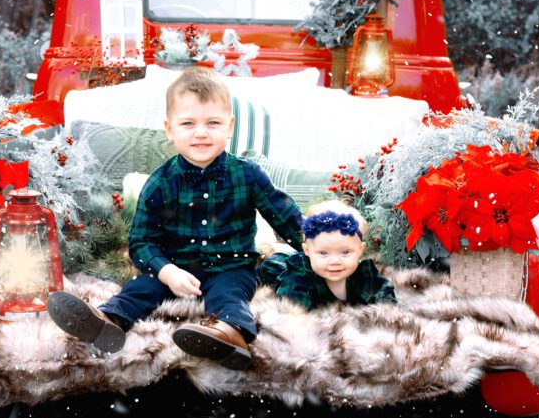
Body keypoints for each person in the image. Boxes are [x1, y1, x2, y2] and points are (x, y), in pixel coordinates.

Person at [47, 68, 304, 370]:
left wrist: (315, 246)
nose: (201, 132)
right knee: (141, 289)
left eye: (212, 123)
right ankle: (107, 322)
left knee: (229, 295)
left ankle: (227, 335)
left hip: (231, 266)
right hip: (174, 269)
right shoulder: (161, 182)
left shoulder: (248, 175)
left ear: (229, 126)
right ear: (170, 129)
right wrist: (167, 272)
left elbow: (284, 216)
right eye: (188, 123)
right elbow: (141, 242)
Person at [257, 200, 396, 309]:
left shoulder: (364, 273)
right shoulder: (298, 278)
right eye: (324, 253)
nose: (335, 261)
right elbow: (293, 315)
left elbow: (385, 297)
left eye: (345, 252)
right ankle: (266, 251)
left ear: (360, 250)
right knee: (263, 263)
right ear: (307, 251)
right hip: (276, 267)